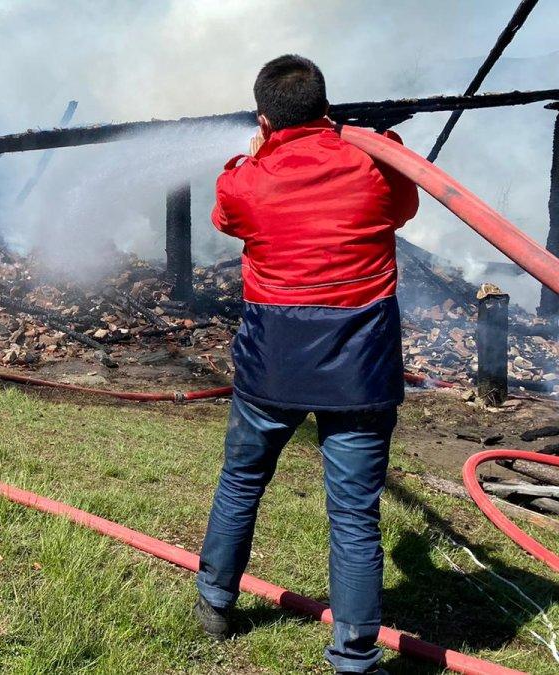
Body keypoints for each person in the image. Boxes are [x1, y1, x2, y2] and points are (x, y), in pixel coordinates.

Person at [193, 55, 419, 675]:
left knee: (241, 483)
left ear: (264, 117)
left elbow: (225, 217)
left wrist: (253, 155)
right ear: (326, 105)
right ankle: (353, 654)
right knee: (353, 514)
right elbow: (403, 210)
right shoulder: (377, 161)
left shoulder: (243, 180)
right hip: (361, 371)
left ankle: (215, 604)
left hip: (273, 370)